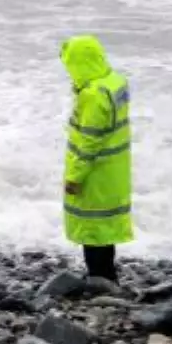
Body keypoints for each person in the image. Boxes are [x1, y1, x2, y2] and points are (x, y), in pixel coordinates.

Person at [60, 35, 132, 283]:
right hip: (115, 170)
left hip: (96, 173)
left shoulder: (92, 95)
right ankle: (107, 276)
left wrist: (74, 177)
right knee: (106, 227)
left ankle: (99, 278)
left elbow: (89, 142)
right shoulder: (114, 82)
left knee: (92, 228)